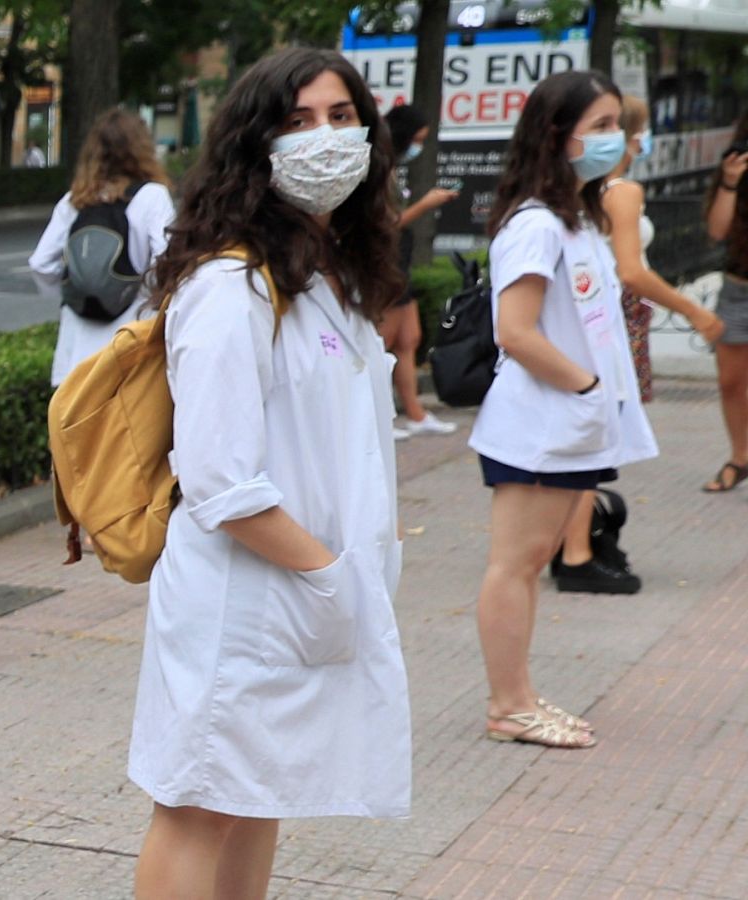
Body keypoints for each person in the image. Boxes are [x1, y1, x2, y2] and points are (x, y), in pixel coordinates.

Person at [128, 47, 412, 898]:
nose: (324, 139)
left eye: (339, 117)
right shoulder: (230, 285)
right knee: (198, 804)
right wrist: (328, 572)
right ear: (255, 147)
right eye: (296, 122)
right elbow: (220, 478)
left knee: (259, 798)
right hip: (244, 599)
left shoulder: (326, 279)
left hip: (301, 591)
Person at [470, 70, 657, 749]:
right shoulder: (535, 224)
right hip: (541, 426)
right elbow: (515, 330)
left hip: (564, 424)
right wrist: (583, 388)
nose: (617, 140)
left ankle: (517, 694)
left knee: (525, 565)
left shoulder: (571, 219)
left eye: (617, 126)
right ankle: (508, 706)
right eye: (602, 126)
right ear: (558, 135)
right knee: (514, 565)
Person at [552, 95, 725, 593]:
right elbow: (632, 271)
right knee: (599, 433)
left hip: (594, 312)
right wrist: (693, 310)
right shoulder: (622, 190)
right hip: (615, 315)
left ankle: (571, 542)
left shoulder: (584, 189)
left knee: (591, 431)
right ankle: (578, 551)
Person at [29, 108, 175, 386]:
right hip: (131, 350)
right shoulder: (152, 197)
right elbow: (168, 265)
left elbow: (40, 263)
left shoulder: (75, 201)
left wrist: (74, 294)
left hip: (76, 356)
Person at [381, 105, 460, 439]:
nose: (418, 147)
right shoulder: (378, 167)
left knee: (408, 338)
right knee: (382, 340)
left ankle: (414, 412)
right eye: (416, 140)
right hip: (386, 260)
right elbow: (385, 223)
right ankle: (379, 416)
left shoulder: (391, 167)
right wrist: (425, 205)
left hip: (400, 259)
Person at [703, 113, 748, 491]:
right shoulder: (736, 168)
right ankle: (740, 457)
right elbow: (717, 231)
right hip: (739, 288)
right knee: (731, 382)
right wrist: (730, 183)